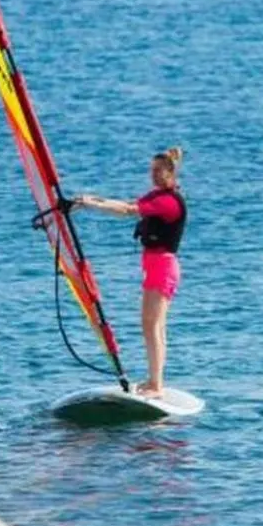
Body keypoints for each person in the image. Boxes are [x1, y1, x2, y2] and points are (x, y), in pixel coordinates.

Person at [72, 147, 187, 397]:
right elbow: (127, 204)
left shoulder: (168, 202)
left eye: (159, 171)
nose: (154, 175)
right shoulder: (156, 196)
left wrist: (91, 205)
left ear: (171, 173)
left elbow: (127, 211)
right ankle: (155, 381)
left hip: (163, 267)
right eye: (151, 171)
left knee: (151, 324)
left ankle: (156, 385)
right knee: (155, 326)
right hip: (156, 267)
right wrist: (89, 200)